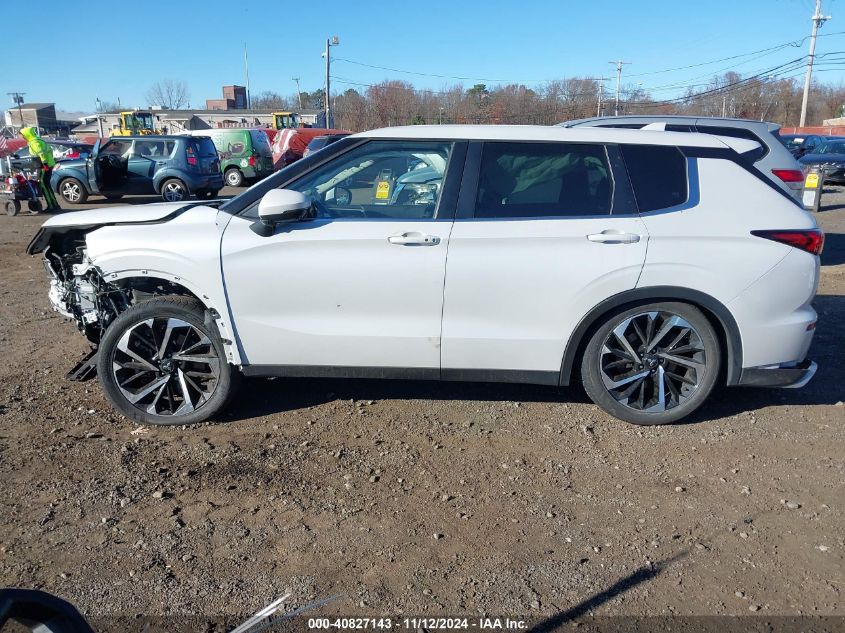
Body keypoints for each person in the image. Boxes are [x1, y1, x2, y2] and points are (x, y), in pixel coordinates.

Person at [20, 127, 60, 211]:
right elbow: (50, 151)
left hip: (43, 166)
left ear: (27, 135)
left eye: (23, 135)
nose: (22, 137)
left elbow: (41, 153)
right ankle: (55, 205)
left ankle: (51, 206)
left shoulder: (34, 142)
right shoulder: (39, 140)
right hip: (47, 165)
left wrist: (45, 164)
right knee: (47, 185)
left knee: (43, 185)